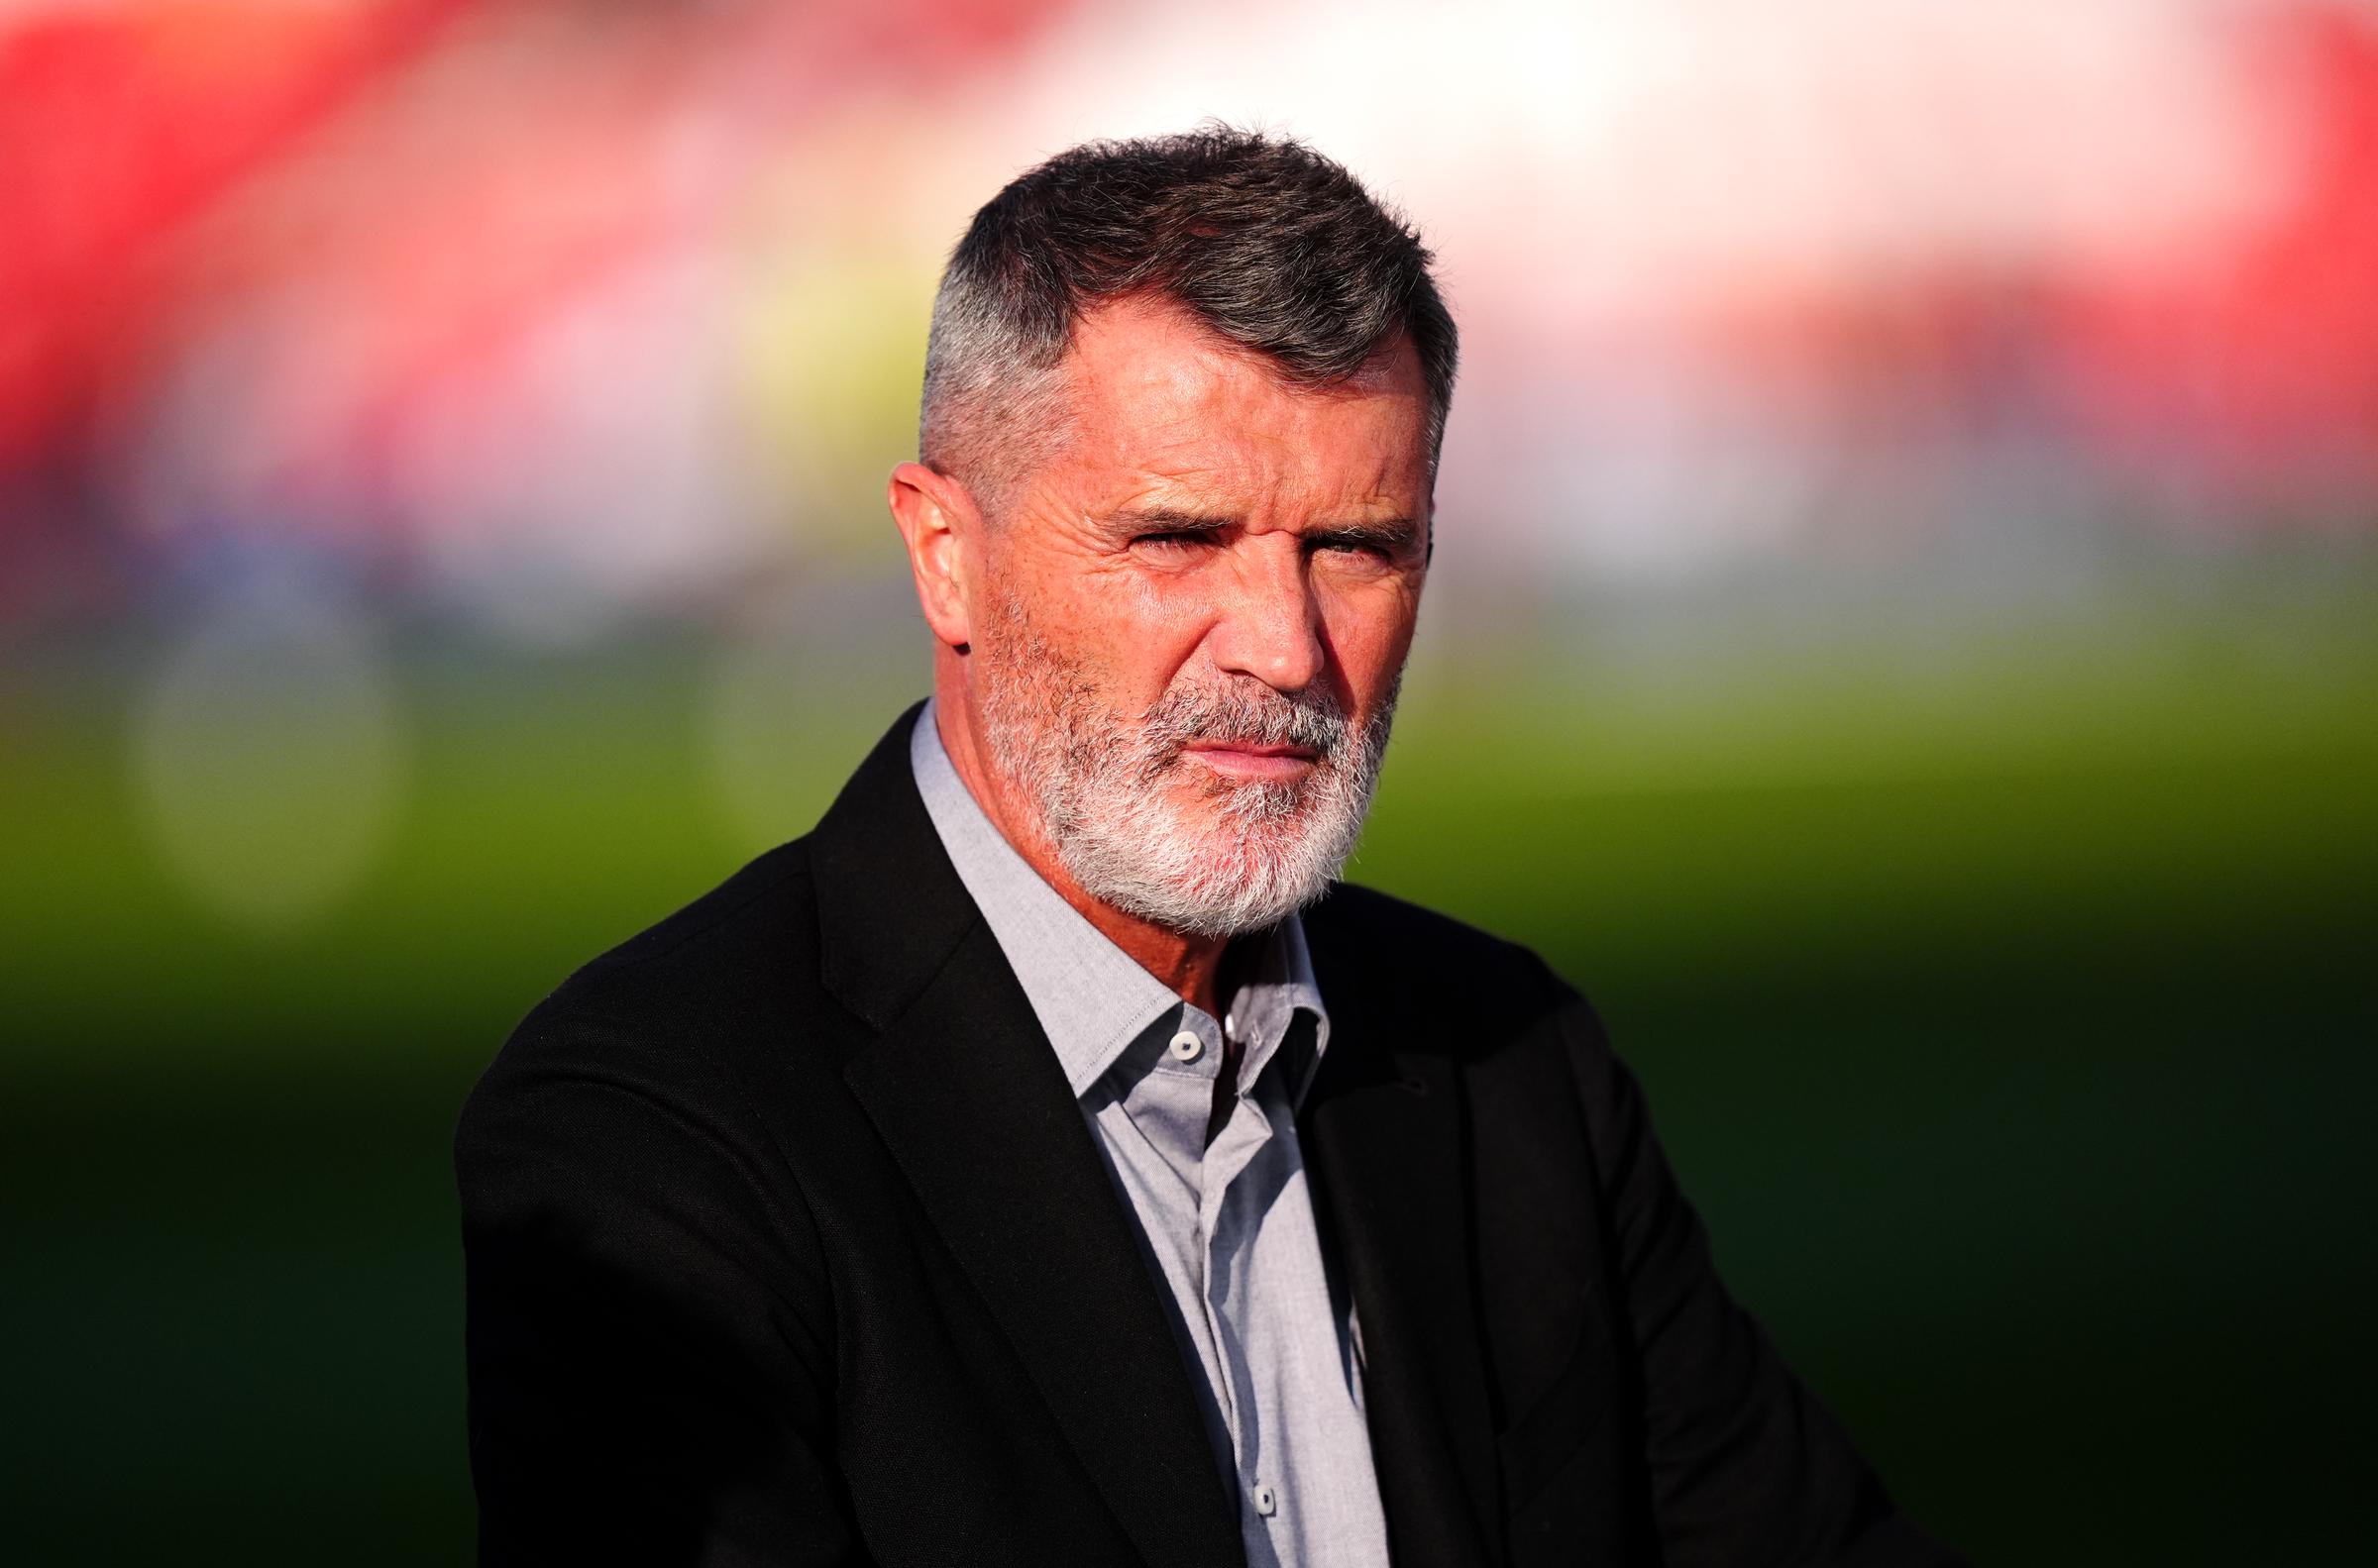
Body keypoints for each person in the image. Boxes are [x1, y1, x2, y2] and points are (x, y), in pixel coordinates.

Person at [456, 127, 1961, 1568]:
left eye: (1355, 548)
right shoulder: (659, 1129)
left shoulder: (1511, 1072)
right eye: (1176, 538)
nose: (1283, 647)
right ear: (945, 557)